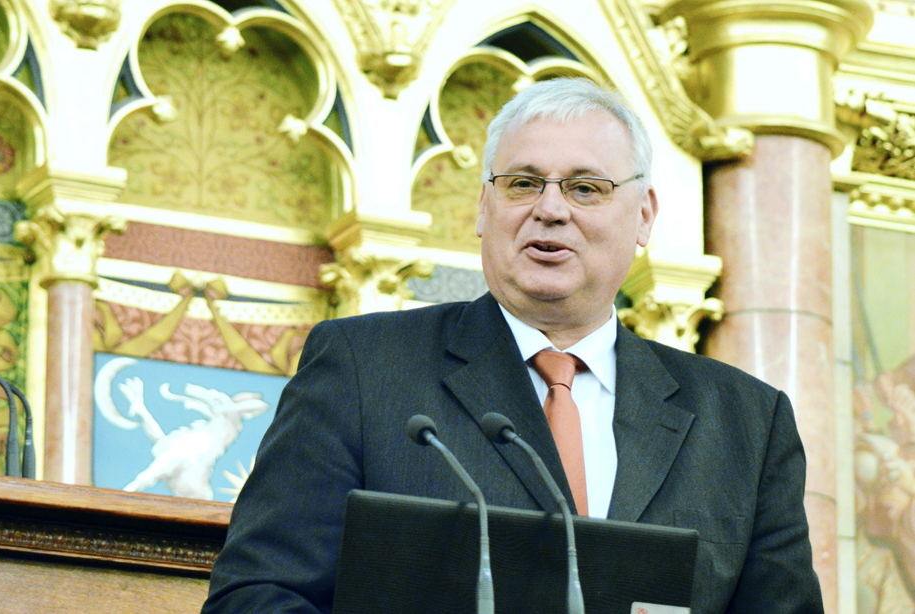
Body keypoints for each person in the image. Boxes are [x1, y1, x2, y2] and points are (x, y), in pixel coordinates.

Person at [201, 77, 823, 614]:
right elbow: (256, 595)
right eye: (523, 183)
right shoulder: (363, 370)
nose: (549, 209)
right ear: (483, 207)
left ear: (644, 216)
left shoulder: (746, 423)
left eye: (585, 188)